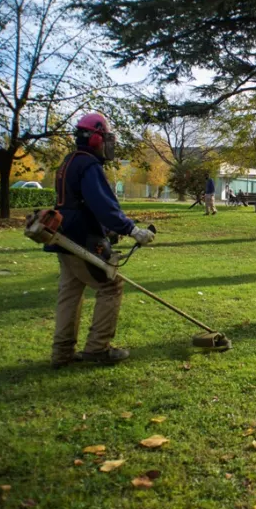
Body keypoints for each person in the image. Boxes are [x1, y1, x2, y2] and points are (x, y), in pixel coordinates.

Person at [46, 112, 155, 368]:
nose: (108, 144)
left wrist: (107, 230)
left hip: (64, 236)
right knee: (111, 285)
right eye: (105, 138)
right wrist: (131, 229)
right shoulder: (88, 165)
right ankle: (97, 348)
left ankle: (62, 353)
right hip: (81, 238)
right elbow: (102, 205)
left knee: (70, 292)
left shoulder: (69, 161)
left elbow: (80, 204)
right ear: (95, 138)